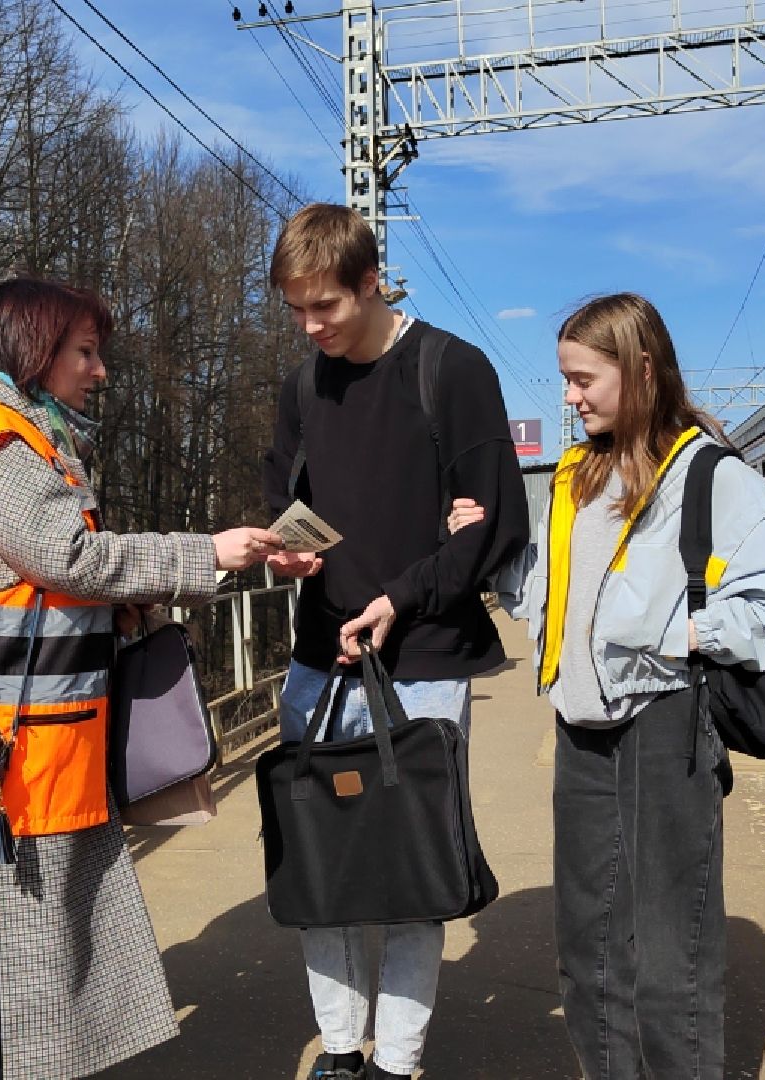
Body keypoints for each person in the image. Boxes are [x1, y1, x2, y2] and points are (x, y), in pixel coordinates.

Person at [0, 277, 285, 1080]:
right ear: (36, 351)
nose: (99, 371)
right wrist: (203, 553)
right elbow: (71, 559)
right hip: (10, 770)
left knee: (2, 975)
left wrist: (129, 601)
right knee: (8, 982)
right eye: (85, 351)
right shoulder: (2, 446)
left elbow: (38, 582)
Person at [453, 292, 765, 1079]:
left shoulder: (710, 476)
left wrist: (680, 632)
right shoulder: (574, 477)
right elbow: (553, 600)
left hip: (664, 729)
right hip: (579, 730)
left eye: (583, 378)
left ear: (642, 369)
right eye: (565, 379)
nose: (569, 396)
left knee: (670, 962)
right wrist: (489, 548)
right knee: (587, 954)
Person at [259, 204, 529, 1080]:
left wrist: (401, 596)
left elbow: (496, 525)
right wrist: (285, 554)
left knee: (412, 872)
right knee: (325, 870)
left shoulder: (451, 370)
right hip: (317, 663)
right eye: (296, 310)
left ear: (371, 282)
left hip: (422, 663)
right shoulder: (303, 388)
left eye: (325, 307)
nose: (310, 328)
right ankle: (341, 1053)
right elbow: (279, 499)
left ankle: (397, 1063)